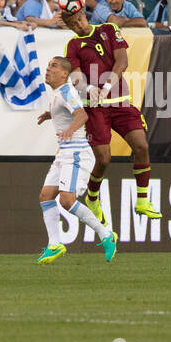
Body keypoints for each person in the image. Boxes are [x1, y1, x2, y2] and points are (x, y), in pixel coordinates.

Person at [60, 0, 160, 225]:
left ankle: (143, 200)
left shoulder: (108, 28)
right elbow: (75, 75)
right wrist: (88, 89)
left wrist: (106, 86)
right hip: (95, 108)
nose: (77, 26)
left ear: (83, 14)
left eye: (78, 20)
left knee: (141, 145)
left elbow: (122, 61)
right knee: (104, 159)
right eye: (71, 24)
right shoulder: (73, 45)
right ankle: (93, 196)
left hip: (121, 101)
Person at [34, 55, 119, 265]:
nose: (48, 69)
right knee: (46, 196)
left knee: (66, 200)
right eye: (47, 66)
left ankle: (106, 234)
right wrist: (50, 115)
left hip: (76, 153)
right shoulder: (56, 94)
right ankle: (55, 244)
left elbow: (82, 116)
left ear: (64, 73)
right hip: (64, 153)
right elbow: (69, 112)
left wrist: (69, 130)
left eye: (53, 66)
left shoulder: (65, 91)